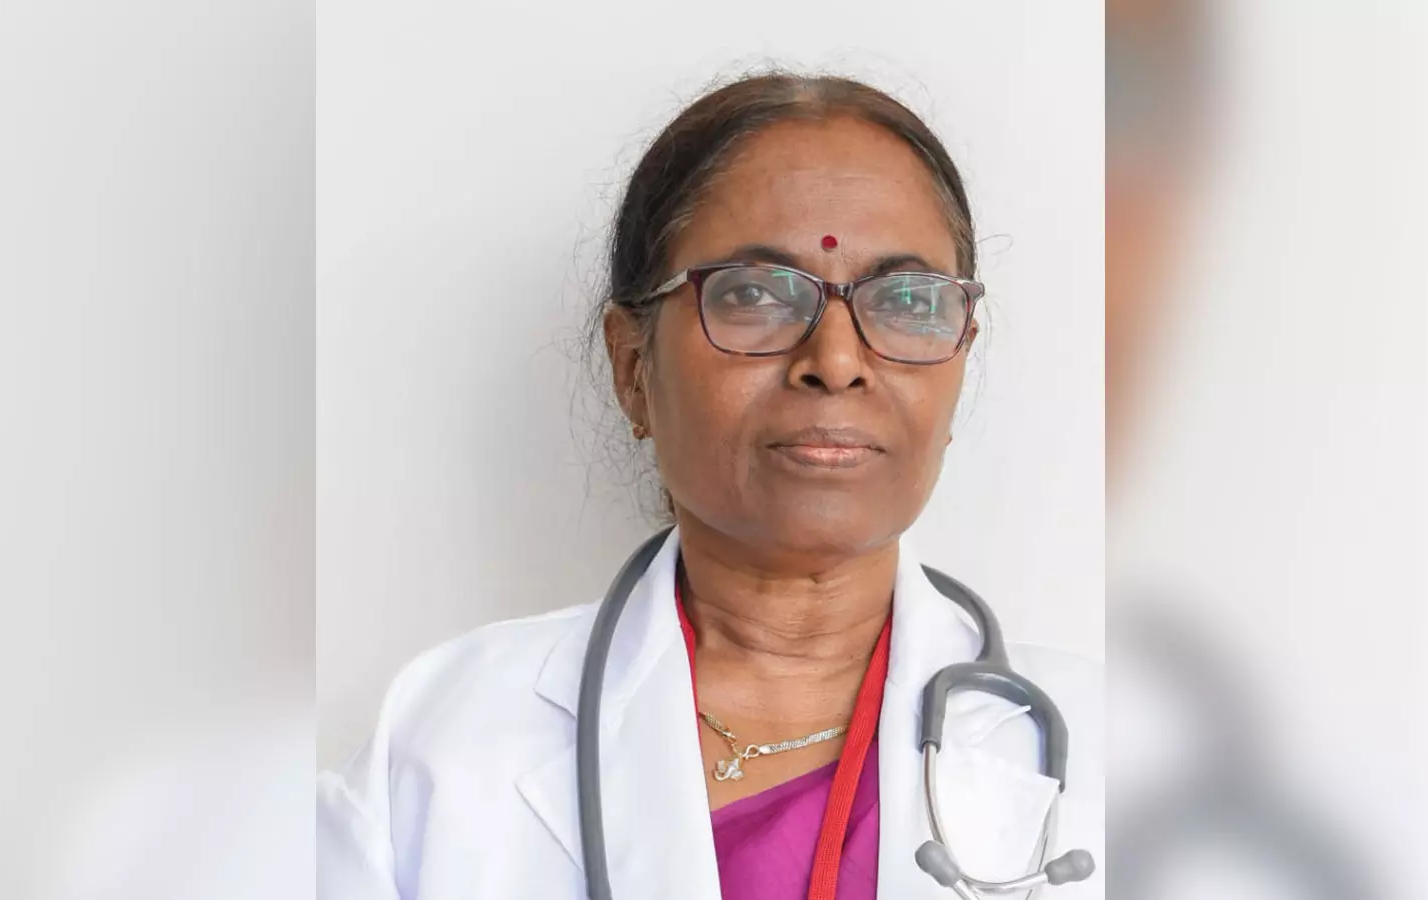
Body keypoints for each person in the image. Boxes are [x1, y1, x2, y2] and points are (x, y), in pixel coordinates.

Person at [317, 72, 1103, 900]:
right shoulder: (443, 748)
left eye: (907, 300)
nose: (837, 361)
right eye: (754, 294)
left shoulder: (1122, 751)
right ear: (633, 367)